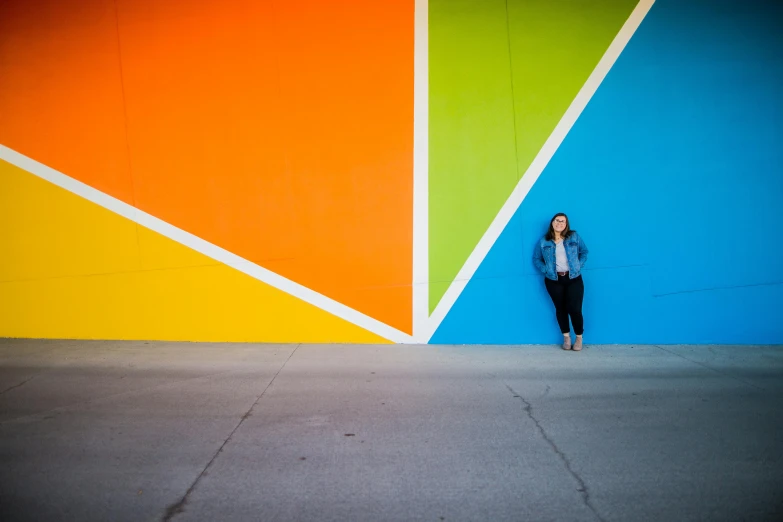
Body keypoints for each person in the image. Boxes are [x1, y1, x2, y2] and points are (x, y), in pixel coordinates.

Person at [532, 213, 589, 351]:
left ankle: (579, 338)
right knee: (561, 309)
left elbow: (584, 252)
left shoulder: (574, 236)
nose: (560, 223)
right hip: (554, 280)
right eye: (557, 220)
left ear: (566, 224)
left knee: (575, 309)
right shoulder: (544, 241)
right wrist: (545, 269)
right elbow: (536, 258)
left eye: (563, 221)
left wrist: (578, 265)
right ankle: (566, 337)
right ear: (552, 222)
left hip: (573, 278)